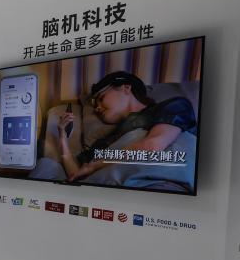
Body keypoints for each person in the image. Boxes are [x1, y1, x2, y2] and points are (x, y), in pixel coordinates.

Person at [56, 71, 197, 181]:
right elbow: (76, 175)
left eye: (101, 98)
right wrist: (62, 136)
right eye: (94, 105)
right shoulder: (103, 142)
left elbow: (152, 146)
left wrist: (95, 166)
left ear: (126, 88)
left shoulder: (173, 106)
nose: (97, 108)